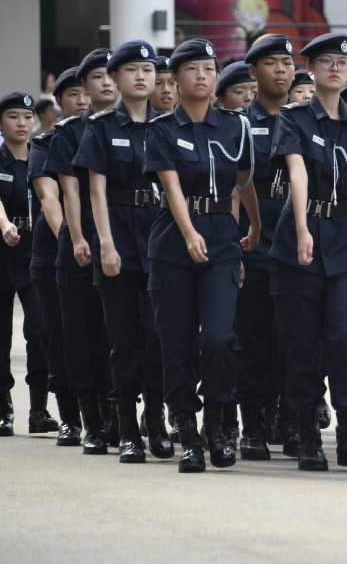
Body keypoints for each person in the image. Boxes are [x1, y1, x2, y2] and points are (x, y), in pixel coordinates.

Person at [267, 32, 347, 472]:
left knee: (346, 337)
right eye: (326, 61)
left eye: (342, 61)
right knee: (302, 343)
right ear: (312, 70)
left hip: (344, 238)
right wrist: (301, 228)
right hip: (302, 237)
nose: (335, 68)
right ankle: (306, 436)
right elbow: (297, 174)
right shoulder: (294, 118)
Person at [144, 38, 261, 473]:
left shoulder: (236, 127)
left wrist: (256, 225)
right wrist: (190, 232)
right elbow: (171, 187)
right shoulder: (161, 130)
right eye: (192, 70)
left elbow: (243, 181)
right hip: (174, 242)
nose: (202, 76)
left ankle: (217, 424)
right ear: (174, 79)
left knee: (218, 337)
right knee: (175, 344)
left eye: (209, 70)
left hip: (222, 241)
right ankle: (188, 434)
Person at [72, 40, 167, 464]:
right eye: (132, 70)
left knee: (160, 337)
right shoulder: (102, 127)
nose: (142, 77)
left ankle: (157, 422)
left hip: (162, 241)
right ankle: (127, 429)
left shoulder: (169, 126)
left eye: (148, 70)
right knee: (124, 339)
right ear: (115, 78)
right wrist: (105, 244)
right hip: (121, 241)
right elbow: (96, 191)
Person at [0, 92, 54, 437]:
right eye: (14, 117)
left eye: (27, 117)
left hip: (35, 251)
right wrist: (5, 225)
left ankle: (39, 410)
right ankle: (2, 410)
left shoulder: (44, 159)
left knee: (40, 329)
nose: (22, 123)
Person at [44, 48, 115, 455]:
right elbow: (70, 190)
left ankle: (116, 413)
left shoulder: (142, 126)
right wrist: (76, 238)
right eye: (98, 78)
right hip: (82, 240)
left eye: (111, 75)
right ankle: (90, 418)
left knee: (118, 331)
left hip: (124, 239)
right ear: (85, 87)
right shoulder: (69, 131)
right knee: (81, 333)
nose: (106, 83)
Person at [233, 33, 298, 461]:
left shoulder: (307, 120)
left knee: (295, 338)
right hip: (254, 242)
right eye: (271, 63)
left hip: (298, 242)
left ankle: (290, 419)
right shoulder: (238, 123)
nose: (281, 71)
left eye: (287, 64)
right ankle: (253, 424)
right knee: (253, 336)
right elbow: (234, 188)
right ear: (253, 73)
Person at [28, 67, 90, 447]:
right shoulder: (46, 142)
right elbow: (50, 198)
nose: (82, 101)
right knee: (61, 333)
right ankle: (69, 416)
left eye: (86, 94)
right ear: (59, 102)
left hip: (105, 247)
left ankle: (109, 411)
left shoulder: (110, 133)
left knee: (104, 333)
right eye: (73, 95)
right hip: (57, 252)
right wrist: (72, 239)